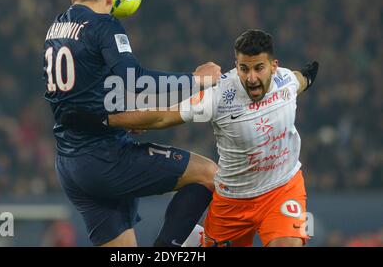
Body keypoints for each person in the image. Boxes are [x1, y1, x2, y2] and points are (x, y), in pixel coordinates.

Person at [42, 0, 221, 247]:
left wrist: (117, 112)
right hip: (105, 158)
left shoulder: (56, 28)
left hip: (70, 165)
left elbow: (80, 91)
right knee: (208, 175)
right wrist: (196, 79)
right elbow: (136, 82)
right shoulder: (103, 25)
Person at [86, 30, 319, 247]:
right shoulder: (219, 95)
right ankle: (192, 240)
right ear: (236, 66)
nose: (251, 78)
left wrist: (309, 75)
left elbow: (301, 80)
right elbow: (162, 118)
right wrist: (108, 119)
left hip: (283, 189)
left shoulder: (286, 81)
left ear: (274, 66)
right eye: (244, 69)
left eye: (259, 68)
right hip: (233, 201)